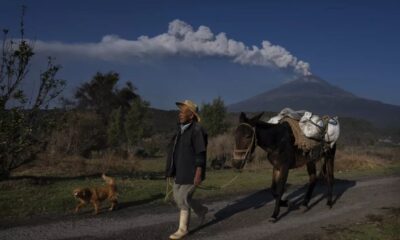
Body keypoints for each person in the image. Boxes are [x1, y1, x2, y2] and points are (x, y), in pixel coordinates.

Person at [165, 100, 208, 240]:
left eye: (184, 112)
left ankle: (183, 229)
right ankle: (201, 210)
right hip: (180, 170)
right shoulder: (180, 130)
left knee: (182, 198)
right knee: (178, 197)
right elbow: (174, 153)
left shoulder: (197, 130)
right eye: (180, 111)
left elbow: (200, 153)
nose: (180, 114)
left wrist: (199, 172)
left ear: (192, 115)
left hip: (192, 171)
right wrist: (171, 171)